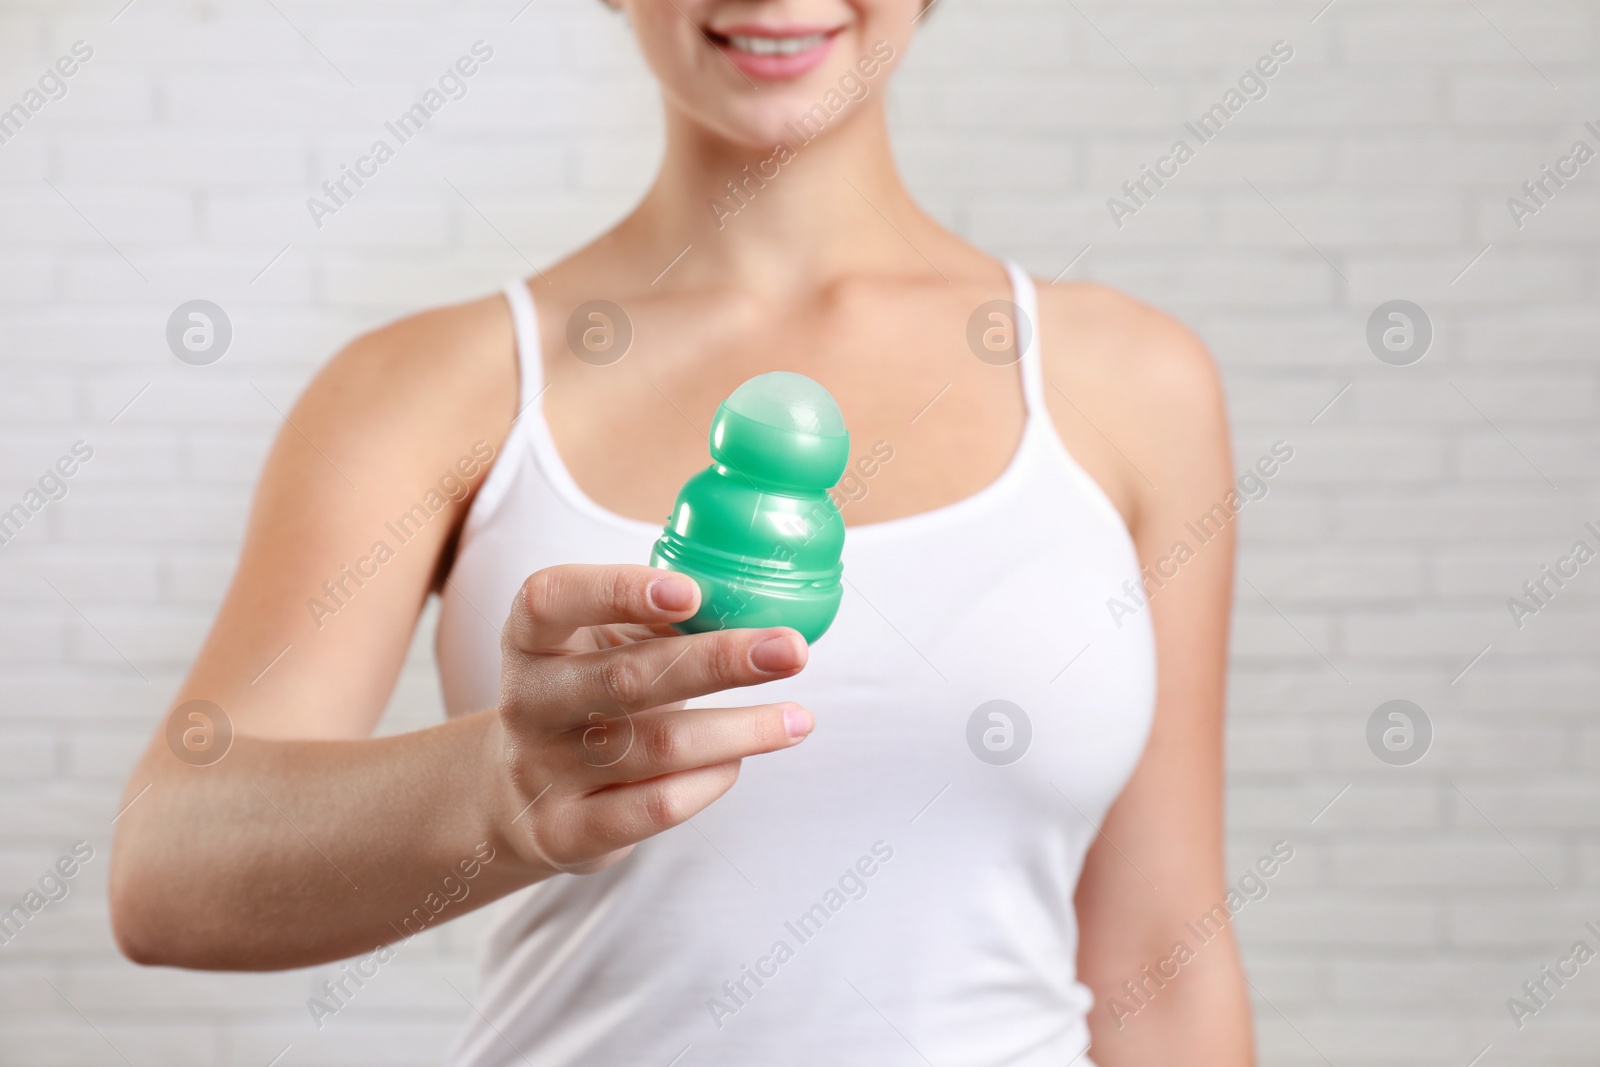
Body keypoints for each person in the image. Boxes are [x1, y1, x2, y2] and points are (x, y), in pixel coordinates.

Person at [110, 1, 1253, 1063]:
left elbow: (1164, 954)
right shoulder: (429, 388)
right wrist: (499, 791)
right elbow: (166, 867)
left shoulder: (1132, 383)